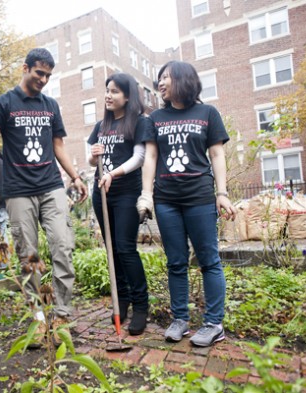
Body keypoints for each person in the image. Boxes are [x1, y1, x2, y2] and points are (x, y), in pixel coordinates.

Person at [0, 48, 88, 345]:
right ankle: (38, 319)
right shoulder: (3, 104)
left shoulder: (51, 105)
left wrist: (75, 177)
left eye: (48, 75)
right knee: (30, 258)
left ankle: (62, 314)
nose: (43, 80)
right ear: (25, 68)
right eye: (39, 73)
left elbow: (58, 146)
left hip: (51, 186)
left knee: (63, 248)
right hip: (18, 191)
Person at [137, 60, 236, 347]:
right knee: (176, 262)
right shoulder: (155, 118)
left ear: (183, 79)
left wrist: (222, 193)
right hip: (167, 199)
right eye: (159, 78)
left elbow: (217, 154)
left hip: (199, 197)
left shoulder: (207, 112)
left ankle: (214, 324)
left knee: (209, 260)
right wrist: (146, 194)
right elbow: (151, 157)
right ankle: (180, 319)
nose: (161, 83)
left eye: (166, 77)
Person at [87, 72, 149, 336]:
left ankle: (141, 305)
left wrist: (113, 173)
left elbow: (140, 157)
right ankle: (121, 300)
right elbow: (91, 161)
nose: (108, 95)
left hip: (126, 193)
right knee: (111, 249)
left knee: (125, 248)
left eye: (114, 91)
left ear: (127, 96)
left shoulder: (139, 122)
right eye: (107, 91)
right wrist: (92, 156)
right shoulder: (101, 126)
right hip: (101, 193)